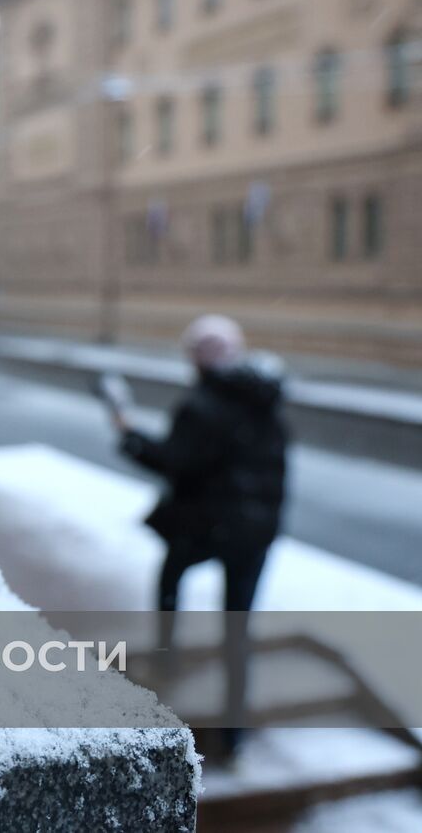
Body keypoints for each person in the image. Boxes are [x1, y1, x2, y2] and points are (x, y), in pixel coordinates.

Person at [112, 314, 288, 758]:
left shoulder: (201, 405)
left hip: (209, 527)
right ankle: (234, 731)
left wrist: (129, 435)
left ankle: (167, 657)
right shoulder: (265, 401)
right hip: (254, 533)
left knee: (171, 576)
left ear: (197, 359)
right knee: (238, 627)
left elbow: (175, 462)